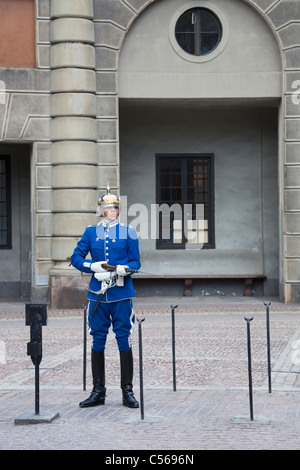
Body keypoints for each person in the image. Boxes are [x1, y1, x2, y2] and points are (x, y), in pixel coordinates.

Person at [71, 186, 141, 408]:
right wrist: (92, 265)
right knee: (98, 339)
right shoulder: (91, 232)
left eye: (112, 208)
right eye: (104, 208)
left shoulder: (129, 231)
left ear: (118, 210)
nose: (108, 211)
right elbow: (76, 257)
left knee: (124, 338)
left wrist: (123, 269)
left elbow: (136, 262)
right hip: (98, 293)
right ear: (101, 211)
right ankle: (98, 392)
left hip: (121, 293)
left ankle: (127, 392)